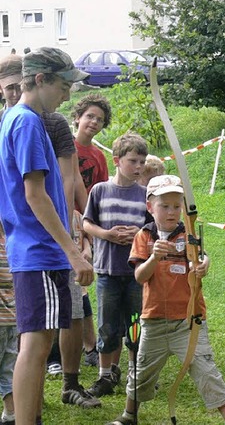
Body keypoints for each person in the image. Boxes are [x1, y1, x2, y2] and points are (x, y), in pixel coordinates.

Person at [0, 51, 101, 408]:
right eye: (63, 84)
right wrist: (73, 252)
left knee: (37, 346)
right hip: (39, 250)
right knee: (36, 346)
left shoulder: (17, 118)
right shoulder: (26, 122)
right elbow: (34, 194)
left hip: (33, 249)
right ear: (40, 80)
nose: (68, 94)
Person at [108, 175, 225, 425]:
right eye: (164, 206)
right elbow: (139, 276)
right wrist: (154, 258)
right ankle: (129, 415)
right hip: (154, 321)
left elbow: (201, 258)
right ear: (150, 207)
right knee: (142, 373)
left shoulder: (189, 233)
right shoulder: (144, 237)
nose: (172, 212)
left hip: (189, 321)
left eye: (177, 206)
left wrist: (204, 266)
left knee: (205, 369)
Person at [84, 133, 148, 398]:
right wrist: (107, 235)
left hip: (135, 272)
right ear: (117, 160)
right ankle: (104, 375)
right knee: (107, 325)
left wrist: (139, 233)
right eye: (133, 161)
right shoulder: (100, 190)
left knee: (134, 323)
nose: (138, 167)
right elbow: (87, 223)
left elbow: (152, 230)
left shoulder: (145, 196)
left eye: (142, 162)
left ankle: (133, 372)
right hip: (108, 270)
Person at [71, 94, 112, 365]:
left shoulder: (98, 156)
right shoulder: (64, 147)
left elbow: (98, 198)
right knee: (76, 287)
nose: (94, 122)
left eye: (99, 119)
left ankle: (89, 347)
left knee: (83, 285)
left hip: (87, 225)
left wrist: (91, 232)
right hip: (67, 222)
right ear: (78, 117)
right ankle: (87, 346)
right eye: (90, 116)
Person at [0, 223, 16, 425]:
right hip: (13, 317)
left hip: (5, 319)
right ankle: (11, 413)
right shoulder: (11, 243)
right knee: (8, 369)